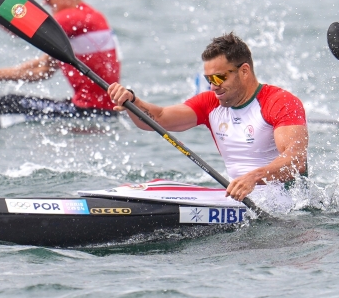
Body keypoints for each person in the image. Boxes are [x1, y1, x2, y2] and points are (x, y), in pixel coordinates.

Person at [107, 33, 308, 203]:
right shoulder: (210, 103)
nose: (213, 86)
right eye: (208, 80)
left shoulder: (280, 102)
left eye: (219, 78)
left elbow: (296, 160)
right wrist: (132, 102)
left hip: (286, 206)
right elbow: (158, 118)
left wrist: (254, 177)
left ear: (244, 71)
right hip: (240, 200)